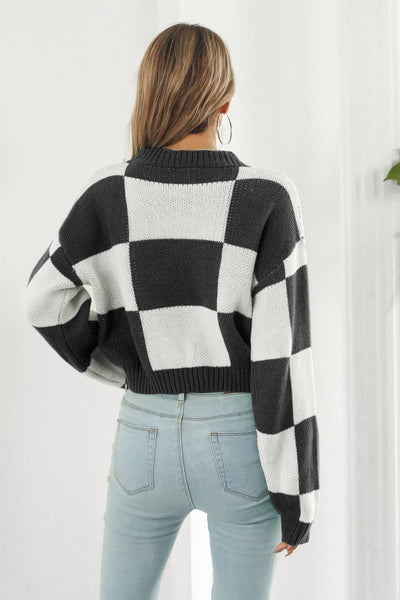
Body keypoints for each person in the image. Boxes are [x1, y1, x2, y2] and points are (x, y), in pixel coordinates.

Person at [20, 22, 320, 600]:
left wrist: (128, 368)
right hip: (239, 437)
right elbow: (283, 354)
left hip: (144, 431)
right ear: (225, 101)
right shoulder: (267, 196)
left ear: (150, 92)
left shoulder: (109, 192)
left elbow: (43, 301)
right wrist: (297, 496)